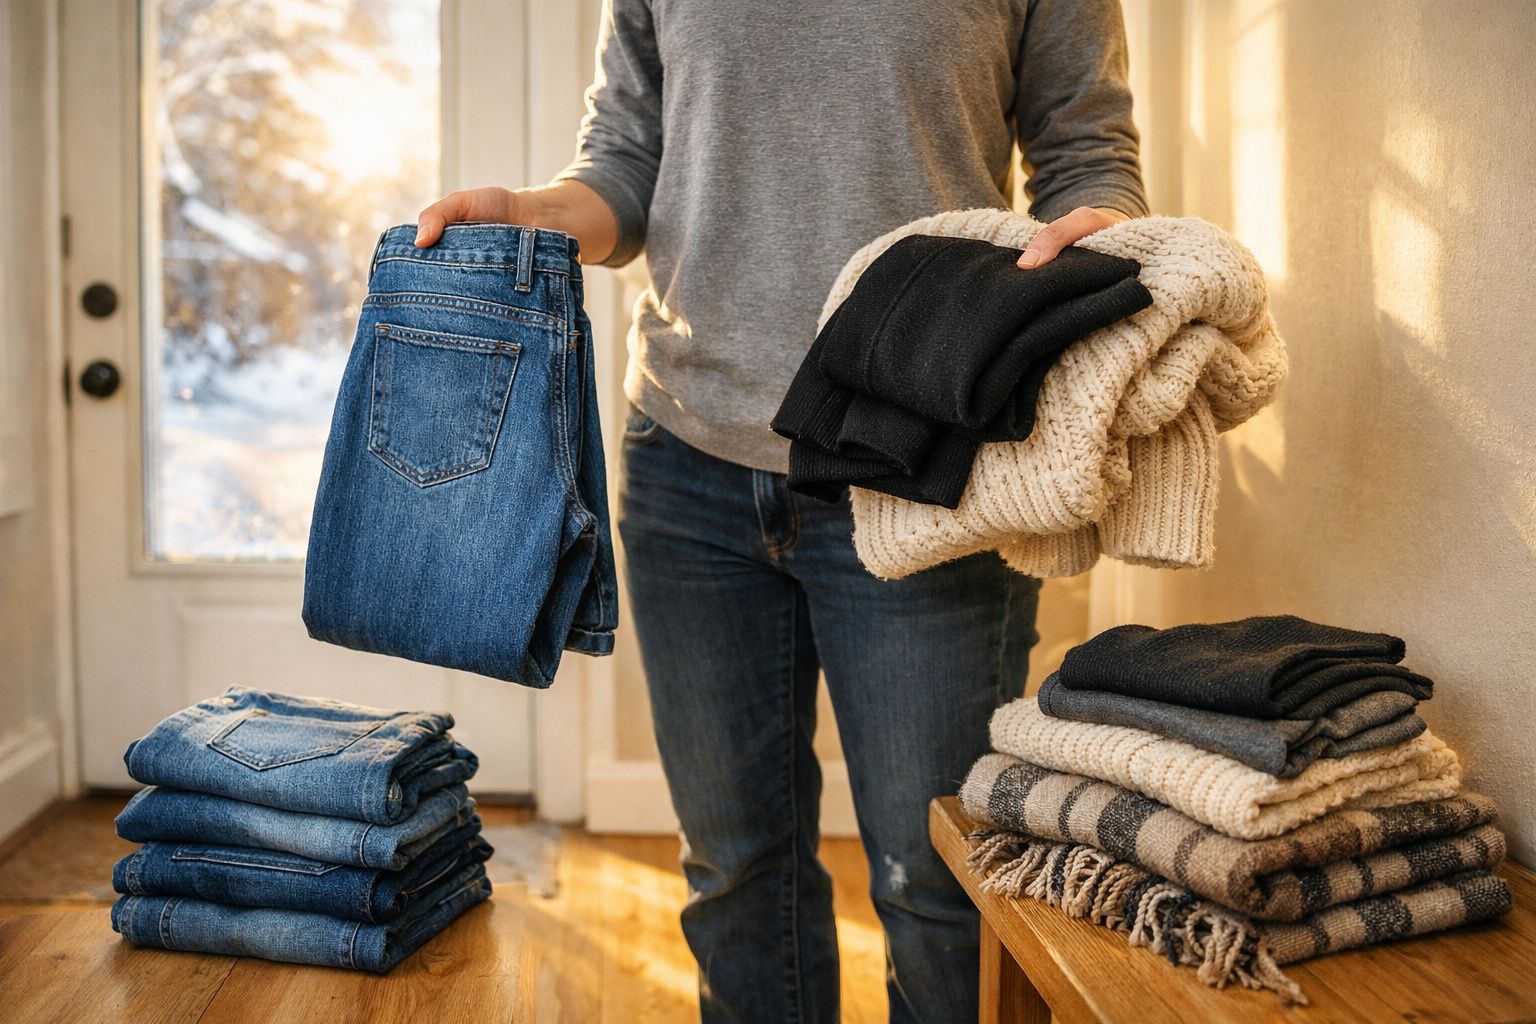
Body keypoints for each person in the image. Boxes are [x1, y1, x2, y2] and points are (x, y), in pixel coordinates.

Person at [416, 2, 1149, 1021]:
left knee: (935, 882)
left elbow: (1083, 147)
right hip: (689, 459)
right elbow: (628, 161)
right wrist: (537, 211)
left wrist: (1107, 227)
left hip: (920, 461)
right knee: (736, 871)